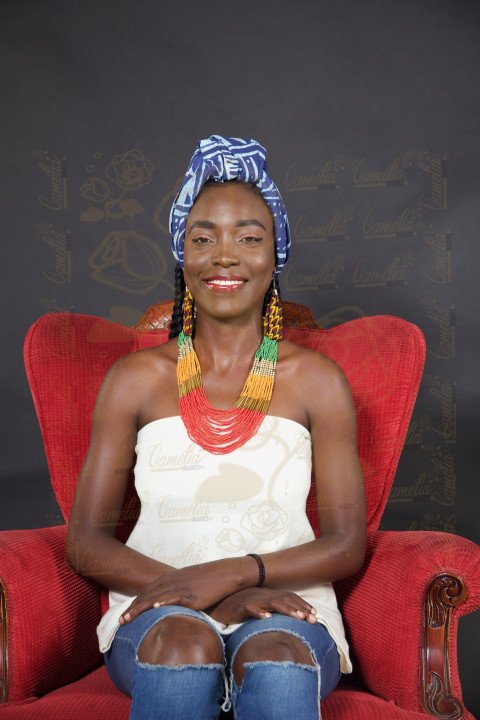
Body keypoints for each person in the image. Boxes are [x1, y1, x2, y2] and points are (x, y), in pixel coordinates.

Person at [66, 135, 366, 720]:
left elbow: (345, 543)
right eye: (203, 238)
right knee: (184, 642)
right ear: (182, 255)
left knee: (278, 657)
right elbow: (85, 541)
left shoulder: (318, 382)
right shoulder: (134, 380)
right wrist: (195, 593)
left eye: (249, 238)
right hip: (158, 606)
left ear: (275, 255)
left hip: (286, 605)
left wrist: (237, 577)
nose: (224, 256)